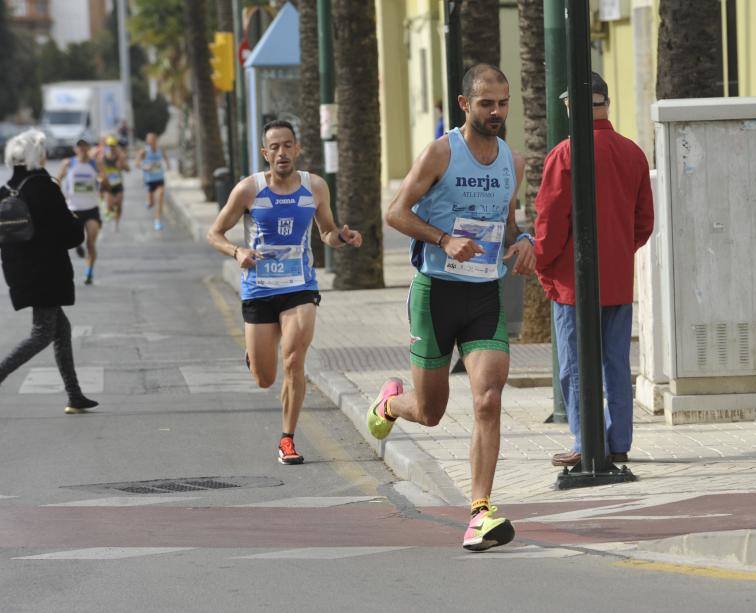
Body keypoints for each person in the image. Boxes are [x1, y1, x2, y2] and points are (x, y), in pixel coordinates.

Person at [369, 64, 535, 551]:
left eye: (503, 103)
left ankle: (480, 510)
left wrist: (522, 238)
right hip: (436, 293)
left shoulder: (513, 162)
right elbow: (395, 212)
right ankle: (390, 403)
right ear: (465, 104)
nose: (497, 113)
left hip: (484, 294)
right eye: (487, 104)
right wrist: (444, 238)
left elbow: (506, 219)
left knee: (488, 398)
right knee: (431, 411)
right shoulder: (441, 152)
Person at [207, 120, 362, 465]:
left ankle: (287, 438)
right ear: (265, 153)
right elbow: (214, 233)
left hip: (300, 287)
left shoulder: (315, 187)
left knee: (294, 359)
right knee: (265, 378)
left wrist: (342, 237)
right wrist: (237, 253)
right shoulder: (248, 190)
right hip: (259, 289)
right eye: (274, 147)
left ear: (297, 149)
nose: (282, 152)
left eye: (287, 145)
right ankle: (256, 354)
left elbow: (326, 232)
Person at [533, 72, 654, 467]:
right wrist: (618, 249)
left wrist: (543, 264)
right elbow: (644, 221)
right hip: (617, 280)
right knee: (616, 362)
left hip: (572, 282)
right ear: (606, 104)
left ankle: (587, 443)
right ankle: (619, 442)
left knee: (575, 365)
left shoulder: (565, 155)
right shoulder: (633, 152)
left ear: (572, 106)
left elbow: (550, 223)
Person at [0, 129, 99, 414]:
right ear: (36, 156)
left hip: (18, 272)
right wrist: (76, 223)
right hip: (47, 272)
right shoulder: (44, 187)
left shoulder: (5, 191)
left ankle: (74, 394)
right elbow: (70, 236)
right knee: (42, 332)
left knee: (61, 328)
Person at [56, 139, 103, 284]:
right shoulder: (68, 163)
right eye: (79, 147)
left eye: (84, 147)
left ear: (88, 148)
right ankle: (77, 245)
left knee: (90, 243)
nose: (82, 149)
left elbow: (104, 179)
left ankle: (89, 272)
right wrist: (60, 196)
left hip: (91, 209)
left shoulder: (95, 163)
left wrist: (103, 182)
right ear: (75, 149)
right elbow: (57, 180)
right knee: (75, 237)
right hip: (74, 209)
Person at [136, 132, 170, 231]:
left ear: (155, 140)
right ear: (147, 141)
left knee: (160, 197)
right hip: (149, 180)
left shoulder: (160, 150)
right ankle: (149, 203)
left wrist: (168, 165)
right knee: (151, 203)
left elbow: (165, 157)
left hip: (159, 179)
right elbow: (137, 163)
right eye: (149, 140)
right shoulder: (144, 151)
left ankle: (158, 220)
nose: (151, 141)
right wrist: (145, 167)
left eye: (153, 139)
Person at [97, 135, 129, 232]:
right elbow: (98, 171)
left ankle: (116, 223)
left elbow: (128, 169)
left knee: (118, 205)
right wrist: (101, 178)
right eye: (109, 145)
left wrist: (122, 165)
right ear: (106, 146)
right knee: (110, 206)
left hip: (118, 185)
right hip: (108, 186)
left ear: (116, 146)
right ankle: (107, 209)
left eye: (113, 145)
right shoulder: (102, 158)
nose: (111, 148)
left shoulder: (120, 157)